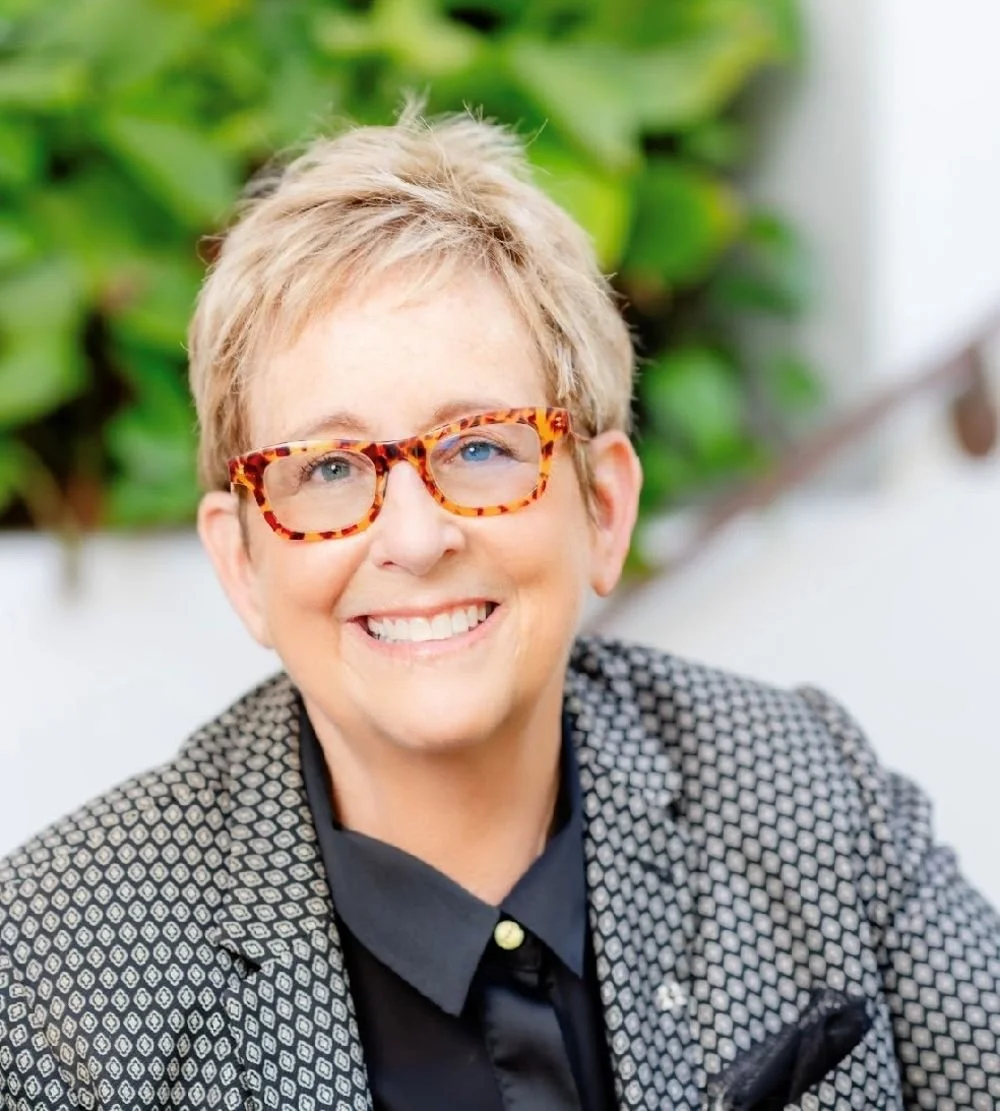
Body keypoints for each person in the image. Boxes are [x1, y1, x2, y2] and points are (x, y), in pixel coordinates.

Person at [1, 103, 998, 1111]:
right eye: (329, 468)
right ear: (242, 563)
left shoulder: (808, 794)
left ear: (602, 508)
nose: (414, 536)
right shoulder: (62, 974)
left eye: (480, 446)